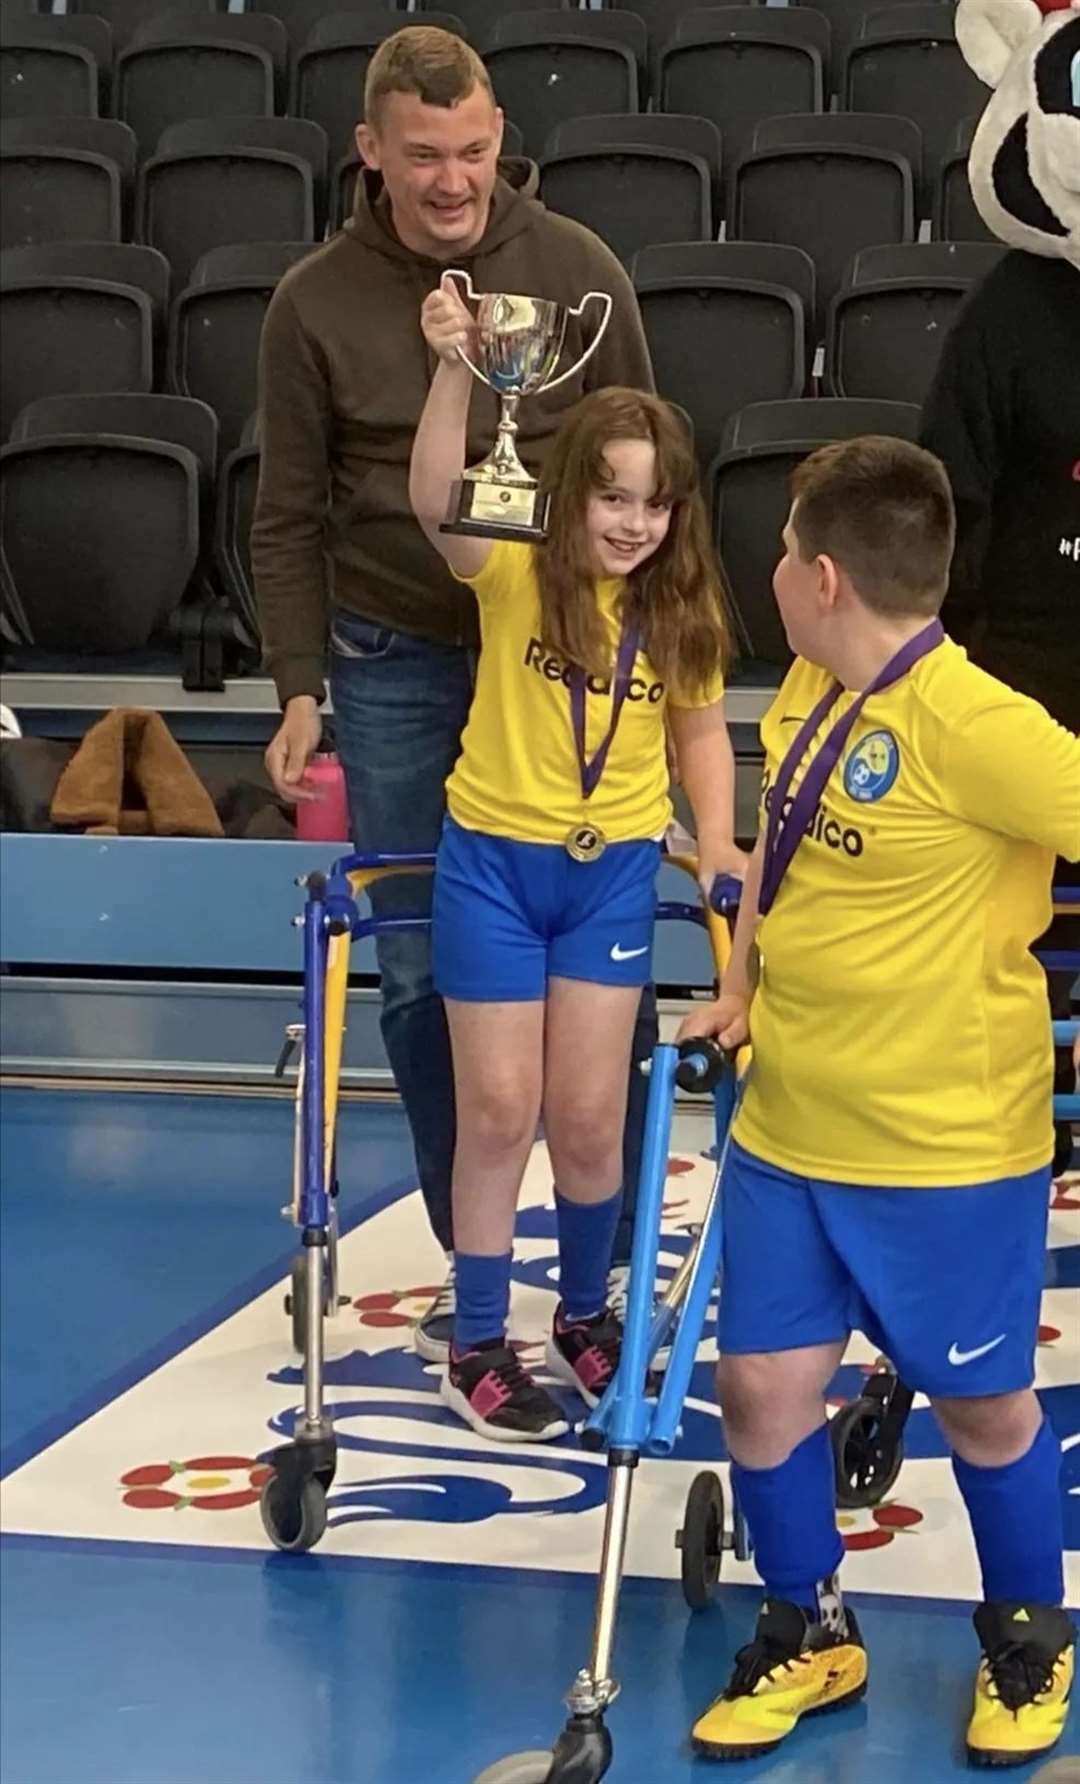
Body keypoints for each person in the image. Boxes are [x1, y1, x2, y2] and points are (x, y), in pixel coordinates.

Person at [250, 26, 658, 1360]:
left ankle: (604, 1270)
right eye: (423, 156)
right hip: (397, 661)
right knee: (423, 973)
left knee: (610, 985)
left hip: (574, 662)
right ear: (371, 151)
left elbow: (650, 461)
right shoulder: (312, 301)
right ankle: (468, 1260)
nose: (452, 180)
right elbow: (288, 515)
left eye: (473, 152)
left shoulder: (580, 271)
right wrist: (299, 684)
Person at [678, 436, 1080, 1767]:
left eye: (788, 549)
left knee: (984, 1412)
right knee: (761, 1394)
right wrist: (740, 983)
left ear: (827, 576)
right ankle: (809, 1628)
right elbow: (782, 867)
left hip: (947, 1150)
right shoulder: (807, 687)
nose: (775, 568)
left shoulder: (980, 729)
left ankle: (1030, 1642)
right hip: (788, 1126)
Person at [409, 276, 744, 1440]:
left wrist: (718, 841)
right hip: (495, 866)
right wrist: (456, 367)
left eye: (652, 503)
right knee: (501, 1108)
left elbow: (699, 728)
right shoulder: (515, 565)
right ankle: (478, 1338)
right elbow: (437, 502)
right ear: (571, 492)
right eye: (610, 495)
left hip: (608, 874)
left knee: (594, 1115)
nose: (629, 522)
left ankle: (587, 1315)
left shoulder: (683, 602)